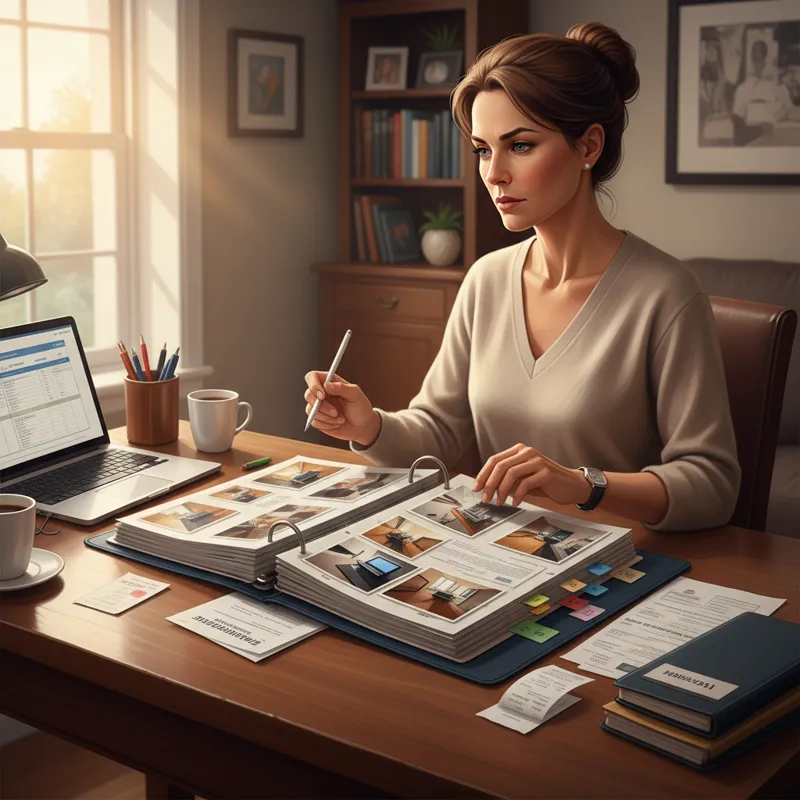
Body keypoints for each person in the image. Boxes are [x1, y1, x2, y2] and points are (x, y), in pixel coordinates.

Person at [304, 23, 741, 532]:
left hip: (621, 566)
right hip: (505, 557)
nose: (494, 173)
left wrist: (583, 485)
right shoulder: (486, 279)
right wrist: (371, 425)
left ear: (588, 147)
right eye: (484, 150)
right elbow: (439, 429)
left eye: (521, 145)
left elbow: (713, 483)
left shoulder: (666, 294)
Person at [732, 39, 794, 145]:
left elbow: (790, 110)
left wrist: (778, 117)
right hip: (753, 141)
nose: (761, 65)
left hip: (776, 140)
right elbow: (737, 126)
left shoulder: (778, 88)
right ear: (752, 60)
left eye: (762, 60)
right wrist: (760, 129)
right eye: (756, 60)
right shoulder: (743, 90)